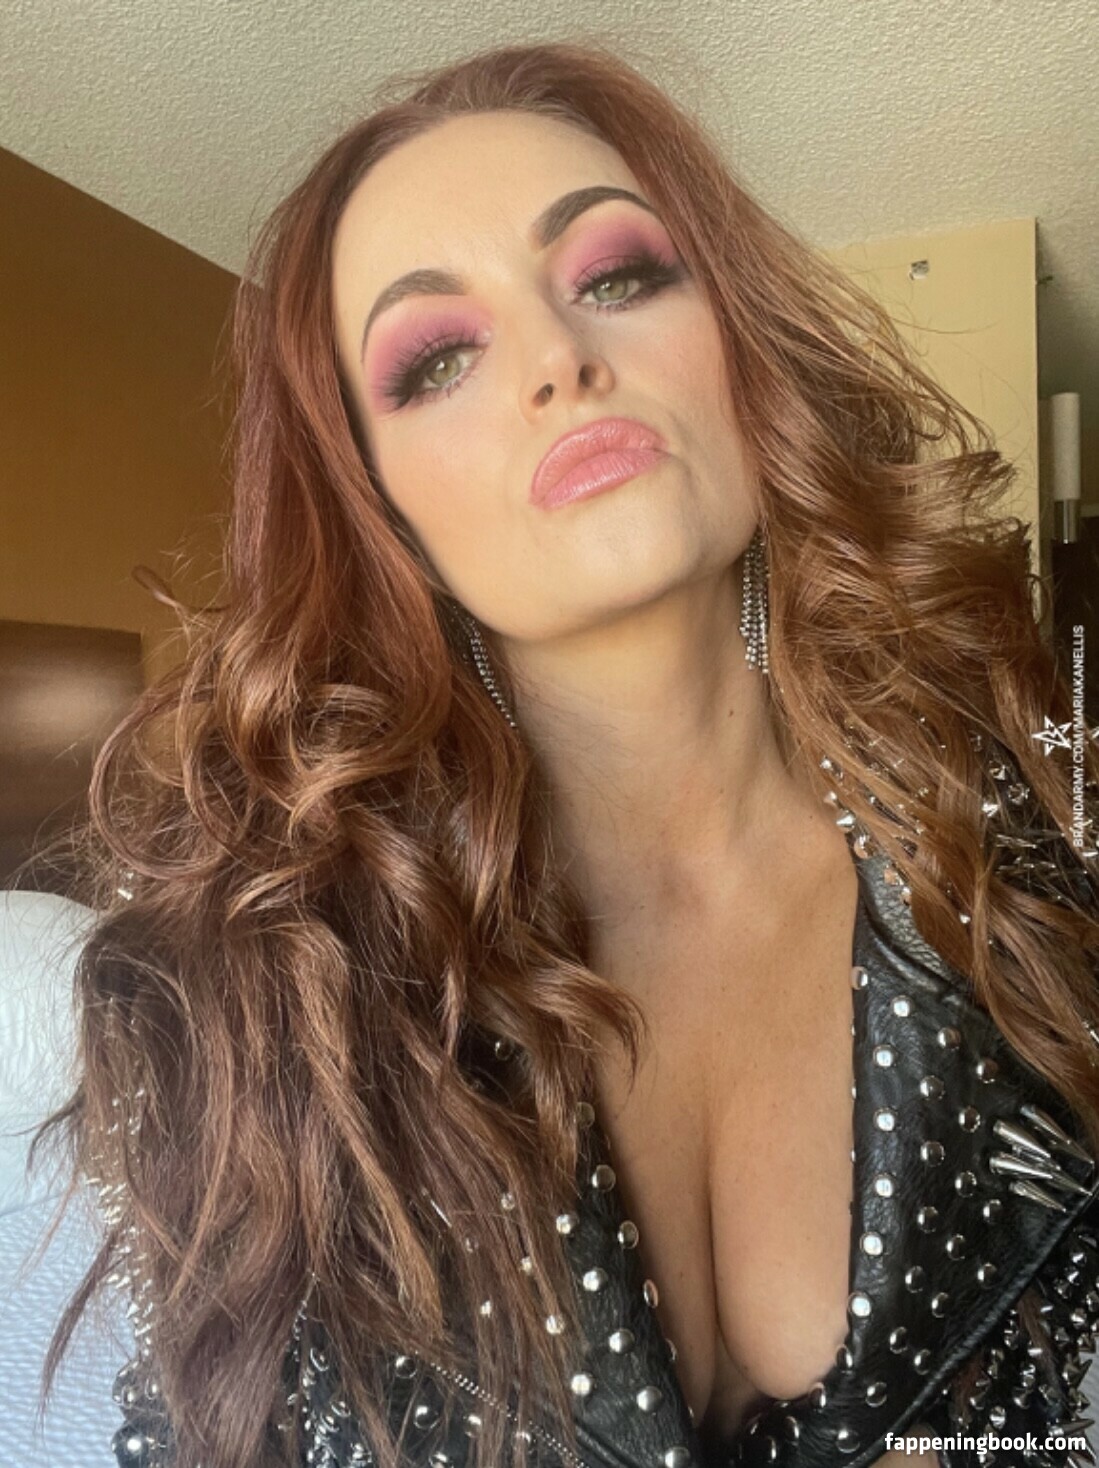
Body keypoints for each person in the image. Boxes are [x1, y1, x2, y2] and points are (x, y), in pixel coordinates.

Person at [28, 38, 1099, 1468]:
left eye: (616, 277)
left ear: (743, 352)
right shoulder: (253, 996)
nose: (558, 362)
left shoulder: (1020, 864)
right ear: (380, 509)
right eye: (438, 359)